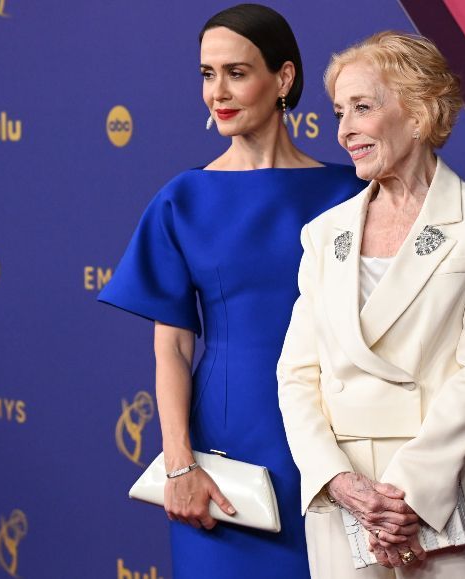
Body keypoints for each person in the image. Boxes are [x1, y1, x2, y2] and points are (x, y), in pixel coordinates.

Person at [98, 4, 364, 578]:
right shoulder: (183, 199)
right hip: (226, 444)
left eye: (237, 73)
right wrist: (178, 464)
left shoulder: (350, 193)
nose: (217, 91)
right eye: (206, 74)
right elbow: (171, 347)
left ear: (283, 79)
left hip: (336, 437)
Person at [277, 31, 465, 578]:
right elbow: (297, 376)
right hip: (342, 494)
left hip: (440, 490)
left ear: (419, 113)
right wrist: (337, 481)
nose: (344, 130)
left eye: (362, 108)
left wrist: (407, 494)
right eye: (340, 111)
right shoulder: (324, 235)